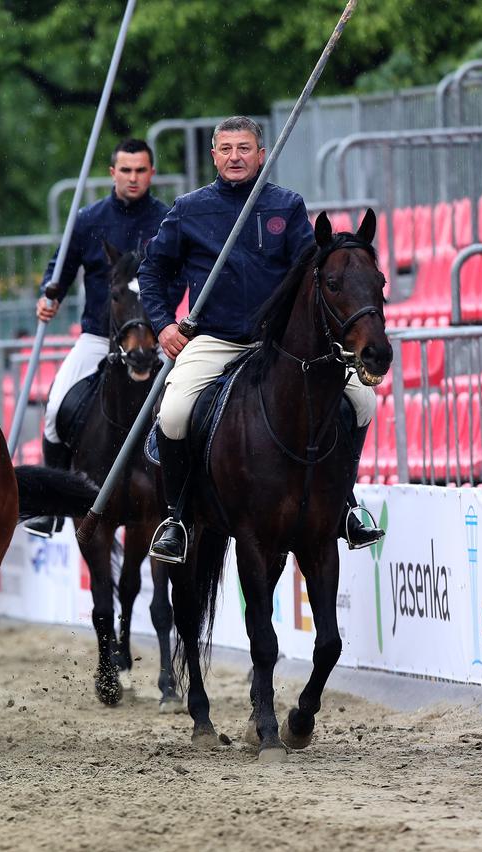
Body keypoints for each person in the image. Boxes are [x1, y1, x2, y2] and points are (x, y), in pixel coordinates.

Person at [139, 117, 381, 563]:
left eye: (244, 148)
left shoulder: (287, 206)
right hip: (217, 339)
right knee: (172, 414)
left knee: (364, 403)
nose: (235, 157)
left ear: (261, 154)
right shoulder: (189, 209)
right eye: (226, 149)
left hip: (280, 345)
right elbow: (152, 271)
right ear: (213, 156)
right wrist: (164, 325)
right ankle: (176, 519)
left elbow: (311, 271)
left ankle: (345, 503)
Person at [37, 139, 169, 462]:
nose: (133, 177)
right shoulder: (87, 219)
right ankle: (57, 507)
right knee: (54, 412)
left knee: (186, 410)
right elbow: (61, 267)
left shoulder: (169, 221)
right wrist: (47, 294)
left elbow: (183, 275)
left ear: (152, 173)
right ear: (113, 172)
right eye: (126, 170)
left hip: (159, 336)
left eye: (140, 170)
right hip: (98, 336)